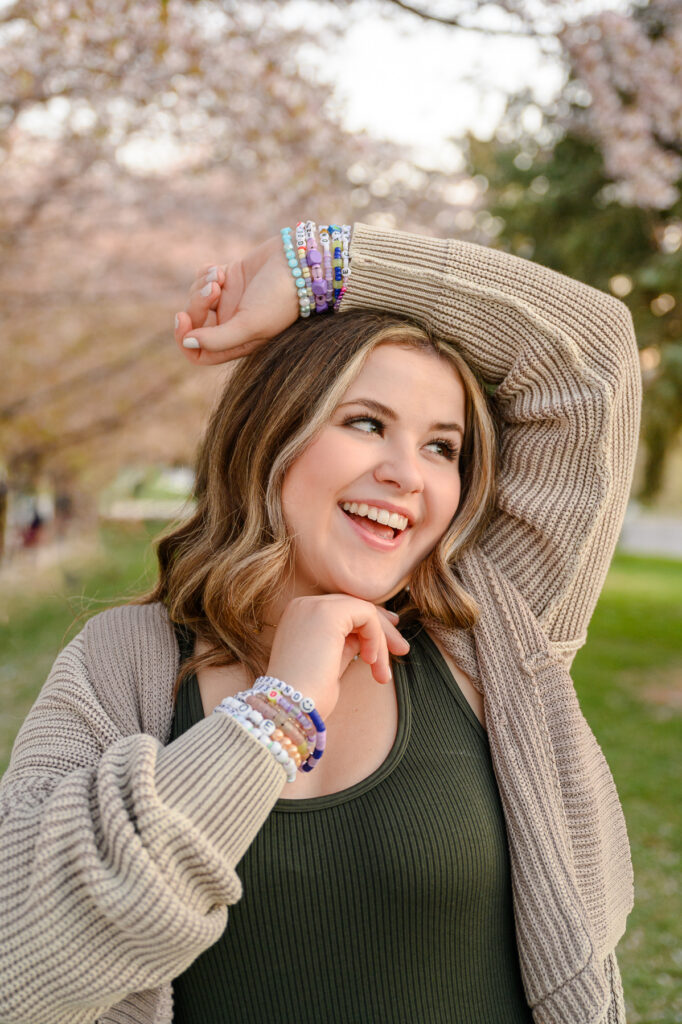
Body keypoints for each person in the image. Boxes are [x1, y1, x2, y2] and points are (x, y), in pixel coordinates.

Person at [0, 221, 640, 1024]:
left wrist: (320, 267)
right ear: (271, 433)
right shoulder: (122, 664)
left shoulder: (489, 625)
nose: (407, 474)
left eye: (442, 447)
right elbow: (20, 960)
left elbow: (590, 360)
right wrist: (273, 713)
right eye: (366, 423)